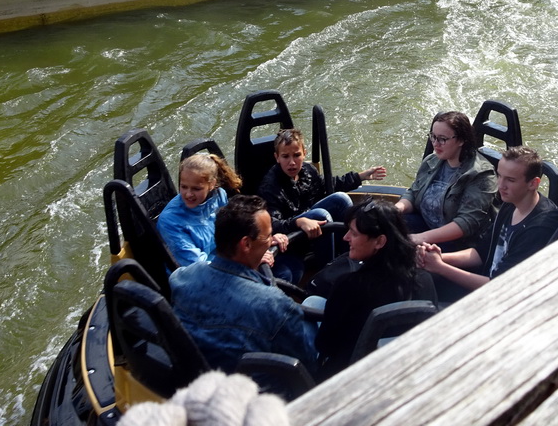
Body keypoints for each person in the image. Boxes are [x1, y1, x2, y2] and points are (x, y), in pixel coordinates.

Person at [169, 195, 317, 374]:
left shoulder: (182, 277)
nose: (271, 242)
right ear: (246, 244)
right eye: (269, 235)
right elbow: (307, 367)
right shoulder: (276, 305)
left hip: (199, 377)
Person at [417, 146, 558, 301]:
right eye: (500, 176)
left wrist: (439, 267)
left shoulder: (539, 228)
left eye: (510, 180)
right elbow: (481, 253)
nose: (500, 185)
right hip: (485, 278)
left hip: (498, 299)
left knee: (422, 283)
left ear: (533, 184)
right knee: (416, 273)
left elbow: (500, 286)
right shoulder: (511, 203)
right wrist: (435, 258)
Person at [315, 200, 437, 378]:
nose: (345, 237)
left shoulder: (348, 286)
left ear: (379, 241)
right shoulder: (424, 280)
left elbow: (325, 345)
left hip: (349, 376)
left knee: (312, 303)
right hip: (402, 373)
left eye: (354, 233)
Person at [258, 128, 386, 275]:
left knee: (341, 199)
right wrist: (298, 222)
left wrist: (361, 176)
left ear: (304, 153)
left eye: (297, 155)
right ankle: (328, 270)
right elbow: (272, 224)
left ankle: (350, 257)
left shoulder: (307, 171)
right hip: (292, 236)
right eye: (285, 156)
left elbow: (330, 185)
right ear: (277, 157)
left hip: (313, 227)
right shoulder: (270, 186)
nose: (292, 162)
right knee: (320, 214)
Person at [395, 111, 497, 250]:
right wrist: (397, 209)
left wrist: (421, 238)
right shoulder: (432, 161)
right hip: (427, 226)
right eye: (433, 137)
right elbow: (413, 193)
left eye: (442, 139)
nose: (436, 144)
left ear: (461, 140)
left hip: (458, 243)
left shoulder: (481, 175)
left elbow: (466, 223)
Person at [157, 153, 245, 267]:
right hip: (196, 276)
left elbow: (232, 231)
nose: (188, 194)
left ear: (212, 184)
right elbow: (196, 265)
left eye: (196, 188)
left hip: (224, 260)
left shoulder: (219, 196)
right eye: (184, 187)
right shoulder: (170, 221)